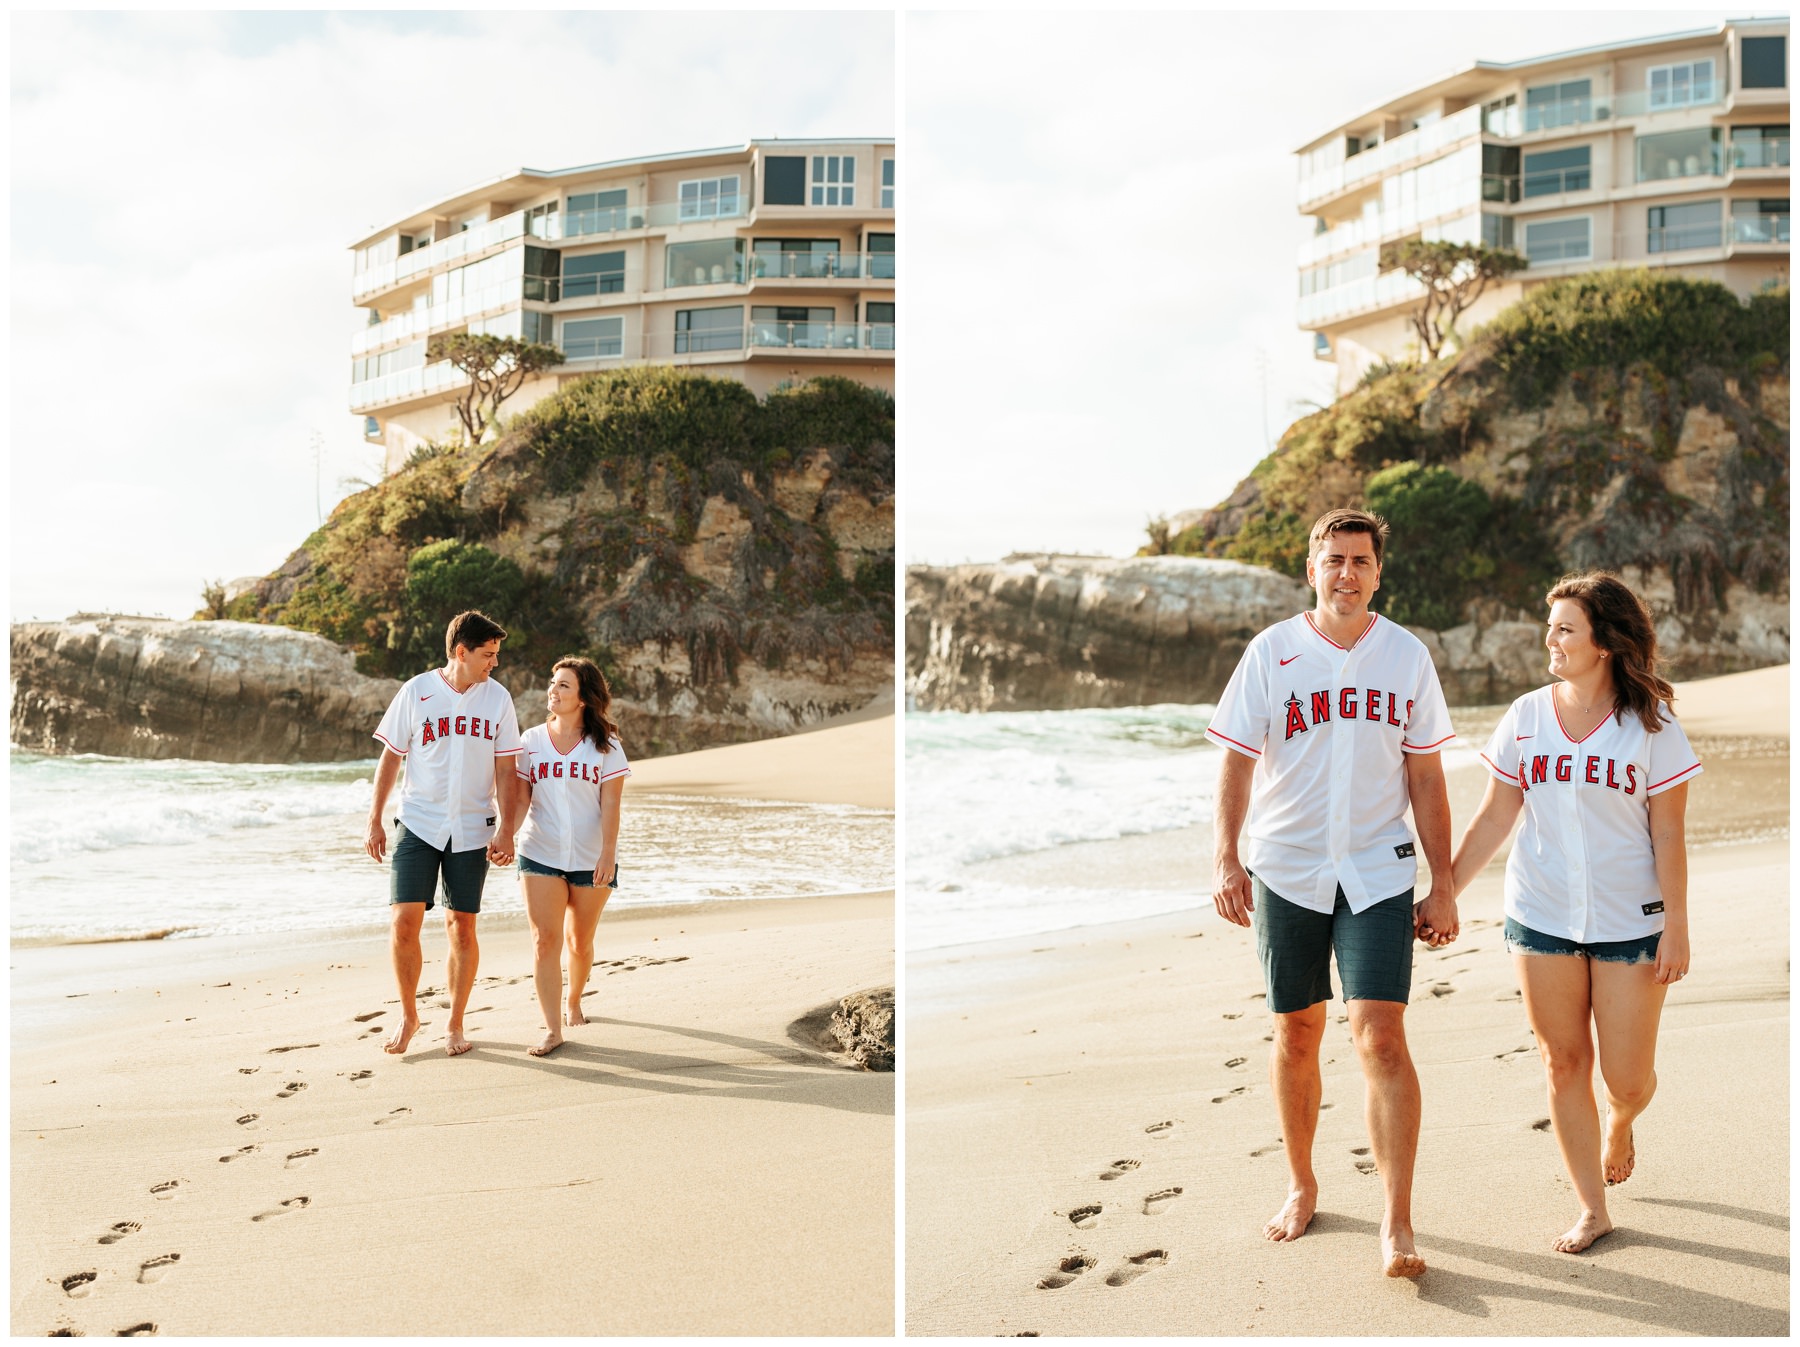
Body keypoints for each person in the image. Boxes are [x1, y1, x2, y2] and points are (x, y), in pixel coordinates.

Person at [1208, 507, 1455, 1279]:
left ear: (1379, 571)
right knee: (1298, 1033)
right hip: (1286, 866)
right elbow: (1238, 760)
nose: (1346, 572)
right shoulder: (1272, 653)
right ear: (1310, 569)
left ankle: (1398, 1219)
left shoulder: (1407, 656)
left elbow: (1425, 774)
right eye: (1333, 559)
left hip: (1379, 870)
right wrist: (1226, 858)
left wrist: (1443, 880)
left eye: (1360, 560)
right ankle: (1303, 1182)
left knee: (1380, 1034)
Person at [1448, 572, 1699, 1254]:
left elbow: (1669, 833)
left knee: (1627, 1077)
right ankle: (1593, 1206)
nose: (1549, 639)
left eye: (1565, 628)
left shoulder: (1652, 725)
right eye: (1550, 625)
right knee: (1562, 1061)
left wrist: (1676, 924)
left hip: (1631, 923)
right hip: (1541, 914)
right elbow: (1496, 813)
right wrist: (1445, 888)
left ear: (1605, 642)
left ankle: (1622, 1117)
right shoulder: (1526, 717)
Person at [365, 610, 523, 1057]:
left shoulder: (498, 700)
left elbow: (507, 768)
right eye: (488, 655)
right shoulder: (416, 691)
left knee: (462, 928)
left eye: (496, 655)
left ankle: (455, 1023)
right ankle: (410, 1014)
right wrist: (374, 818)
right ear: (461, 651)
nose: (494, 663)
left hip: (473, 829)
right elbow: (391, 758)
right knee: (403, 923)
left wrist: (508, 830)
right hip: (417, 822)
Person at [513, 657, 630, 1057]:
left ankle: (574, 999)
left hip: (590, 856)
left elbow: (611, 804)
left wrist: (608, 855)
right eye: (553, 682)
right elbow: (523, 798)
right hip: (539, 850)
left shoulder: (607, 745)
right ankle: (551, 1029)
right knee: (545, 941)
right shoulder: (530, 741)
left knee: (579, 942)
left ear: (583, 698)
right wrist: (504, 836)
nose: (553, 690)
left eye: (564, 685)